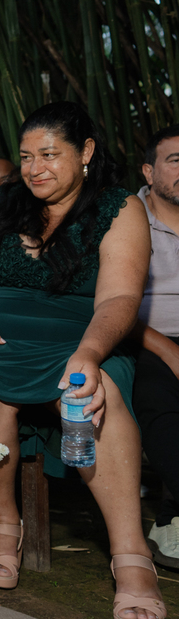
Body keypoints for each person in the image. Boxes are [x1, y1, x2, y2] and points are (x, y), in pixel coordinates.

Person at [0, 101, 166, 619]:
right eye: (27, 156)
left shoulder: (118, 207)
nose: (35, 167)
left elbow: (121, 298)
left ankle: (131, 555)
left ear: (84, 153)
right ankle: (3, 523)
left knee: (86, 397)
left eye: (49, 155)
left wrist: (89, 352)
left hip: (82, 338)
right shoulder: (1, 204)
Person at [131, 124, 179, 570]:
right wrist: (167, 349)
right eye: (176, 160)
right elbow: (108, 305)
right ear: (150, 171)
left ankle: (171, 515)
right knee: (157, 395)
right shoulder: (128, 219)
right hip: (143, 335)